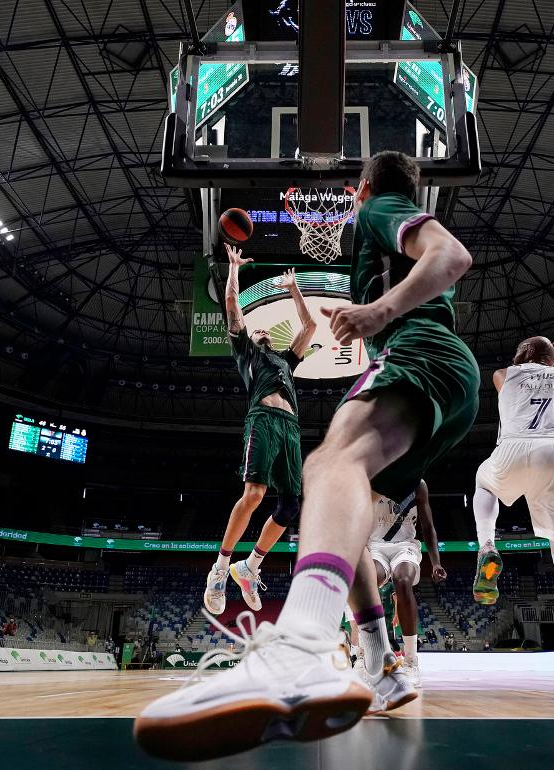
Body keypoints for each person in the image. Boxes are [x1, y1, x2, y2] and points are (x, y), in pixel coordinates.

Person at [135, 150, 479, 760]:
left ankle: (302, 647)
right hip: (429, 371)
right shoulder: (255, 352)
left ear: (363, 186)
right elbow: (237, 317)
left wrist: (378, 310)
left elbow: (452, 256)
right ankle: (379, 663)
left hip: (422, 350)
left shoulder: (380, 212)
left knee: (328, 467)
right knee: (340, 511)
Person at [471, 335, 554, 700]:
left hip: (512, 449)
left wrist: (538, 362)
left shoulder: (502, 375)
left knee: (485, 480)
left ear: (524, 354)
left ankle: (487, 545)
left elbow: (527, 377)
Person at [204, 255, 316, 616]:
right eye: (259, 329)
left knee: (290, 506)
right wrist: (233, 267)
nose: (264, 330)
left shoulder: (286, 360)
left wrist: (294, 288)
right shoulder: (246, 351)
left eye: (267, 330)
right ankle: (220, 569)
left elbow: (310, 326)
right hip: (263, 419)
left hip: (291, 428)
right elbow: (232, 305)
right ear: (250, 337)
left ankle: (250, 566)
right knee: (254, 494)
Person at [367, 479, 445, 687]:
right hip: (376, 546)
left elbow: (427, 526)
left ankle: (410, 661)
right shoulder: (372, 479)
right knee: (367, 582)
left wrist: (436, 562)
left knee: (402, 581)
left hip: (406, 546)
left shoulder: (418, 484)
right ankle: (365, 657)